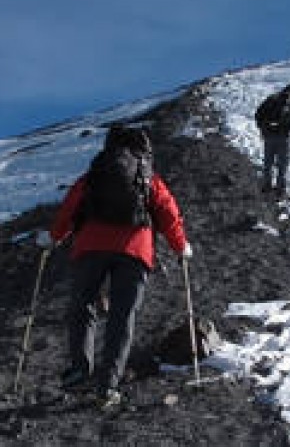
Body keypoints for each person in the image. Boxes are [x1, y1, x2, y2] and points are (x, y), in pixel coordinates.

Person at [49, 124, 191, 409]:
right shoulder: (147, 176)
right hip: (134, 252)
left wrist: (53, 237)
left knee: (83, 305)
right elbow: (168, 212)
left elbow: (71, 206)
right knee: (122, 316)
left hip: (90, 247)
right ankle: (108, 384)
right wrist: (181, 247)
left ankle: (80, 368)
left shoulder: (96, 172)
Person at [254, 84, 290, 196]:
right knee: (282, 164)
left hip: (269, 136)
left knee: (268, 162)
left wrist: (264, 128)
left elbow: (258, 114)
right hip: (285, 136)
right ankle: (280, 190)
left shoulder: (272, 98)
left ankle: (266, 186)